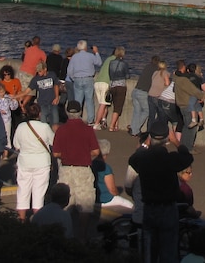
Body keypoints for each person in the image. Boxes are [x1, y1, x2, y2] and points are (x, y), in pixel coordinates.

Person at [128, 119, 195, 263]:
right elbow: (187, 157)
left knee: (149, 252)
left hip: (149, 209)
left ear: (150, 138)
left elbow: (133, 159)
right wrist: (176, 142)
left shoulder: (143, 159)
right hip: (168, 208)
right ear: (167, 139)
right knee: (169, 251)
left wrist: (146, 143)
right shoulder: (170, 159)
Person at [52, 99, 101, 240]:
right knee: (84, 205)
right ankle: (82, 236)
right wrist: (85, 154)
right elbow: (96, 151)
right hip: (83, 170)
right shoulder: (87, 130)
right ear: (80, 112)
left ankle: (64, 234)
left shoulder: (61, 130)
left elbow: (55, 153)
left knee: (65, 203)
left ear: (67, 113)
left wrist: (67, 154)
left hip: (66, 169)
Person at [12, 101, 55, 220]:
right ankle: (37, 221)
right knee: (39, 193)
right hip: (42, 162)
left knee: (23, 192)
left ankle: (21, 220)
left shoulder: (21, 127)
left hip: (24, 162)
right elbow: (53, 142)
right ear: (39, 114)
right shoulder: (45, 127)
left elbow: (16, 145)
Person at [66, 39, 101, 125]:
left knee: (78, 100)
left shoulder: (74, 57)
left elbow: (69, 71)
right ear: (85, 47)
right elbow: (99, 63)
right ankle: (90, 120)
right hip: (88, 78)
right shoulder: (90, 56)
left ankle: (77, 118)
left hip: (77, 79)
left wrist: (74, 78)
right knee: (89, 100)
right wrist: (96, 52)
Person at [92, 138, 134, 211]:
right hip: (105, 199)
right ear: (107, 152)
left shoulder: (90, 164)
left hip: (92, 198)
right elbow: (112, 189)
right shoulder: (106, 168)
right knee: (131, 206)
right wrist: (117, 194)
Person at [131, 55, 159, 138]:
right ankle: (135, 129)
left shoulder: (147, 66)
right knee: (147, 111)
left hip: (135, 90)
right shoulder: (156, 70)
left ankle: (134, 130)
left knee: (136, 111)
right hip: (143, 93)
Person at [28, 61, 61, 127]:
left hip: (53, 102)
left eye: (40, 71)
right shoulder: (36, 79)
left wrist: (57, 97)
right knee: (43, 124)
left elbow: (56, 85)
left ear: (45, 69)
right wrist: (16, 96)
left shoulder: (52, 75)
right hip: (42, 104)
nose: (39, 73)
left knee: (55, 123)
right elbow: (27, 90)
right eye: (38, 71)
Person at [107, 46, 130, 132]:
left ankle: (116, 125)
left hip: (112, 85)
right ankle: (112, 126)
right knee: (118, 107)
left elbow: (110, 74)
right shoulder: (124, 63)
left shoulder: (111, 62)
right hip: (121, 86)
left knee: (115, 105)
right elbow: (127, 75)